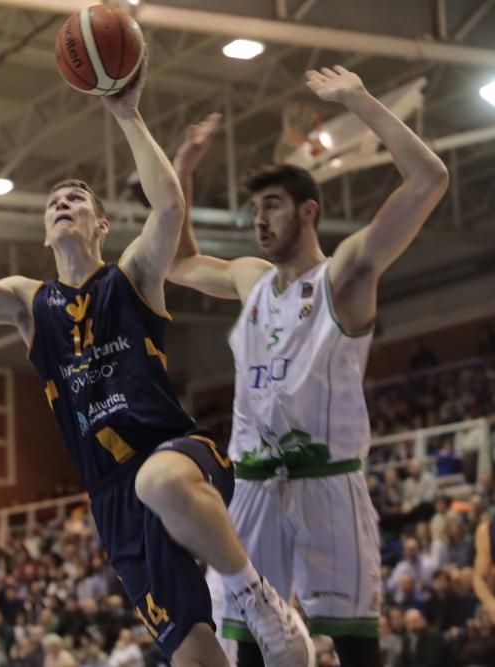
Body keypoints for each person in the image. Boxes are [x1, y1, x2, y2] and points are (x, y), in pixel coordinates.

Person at [0, 55, 312, 667]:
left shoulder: (131, 276)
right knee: (195, 654)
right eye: (53, 202)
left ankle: (256, 597)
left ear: (100, 224)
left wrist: (128, 116)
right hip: (111, 498)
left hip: (176, 452)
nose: (62, 203)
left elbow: (170, 212)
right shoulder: (30, 302)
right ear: (45, 235)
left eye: (75, 197)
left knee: (161, 479)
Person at [169, 65, 449, 667]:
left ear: (310, 211)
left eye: (273, 205)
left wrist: (361, 101)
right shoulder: (251, 279)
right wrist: (184, 173)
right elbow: (180, 263)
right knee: (250, 650)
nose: (260, 219)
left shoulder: (345, 276)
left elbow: (429, 179)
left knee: (353, 647)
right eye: (255, 209)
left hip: (328, 480)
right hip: (253, 484)